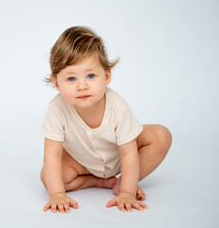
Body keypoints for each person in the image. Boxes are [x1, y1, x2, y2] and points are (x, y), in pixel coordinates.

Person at [40, 26, 172, 213]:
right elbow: (52, 154)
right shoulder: (57, 108)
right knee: (47, 175)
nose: (82, 86)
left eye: (91, 76)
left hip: (120, 155)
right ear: (56, 83)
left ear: (106, 76)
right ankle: (94, 181)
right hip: (81, 160)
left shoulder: (118, 106)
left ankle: (124, 182)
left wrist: (127, 190)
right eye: (71, 79)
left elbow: (128, 153)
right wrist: (56, 194)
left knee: (161, 136)